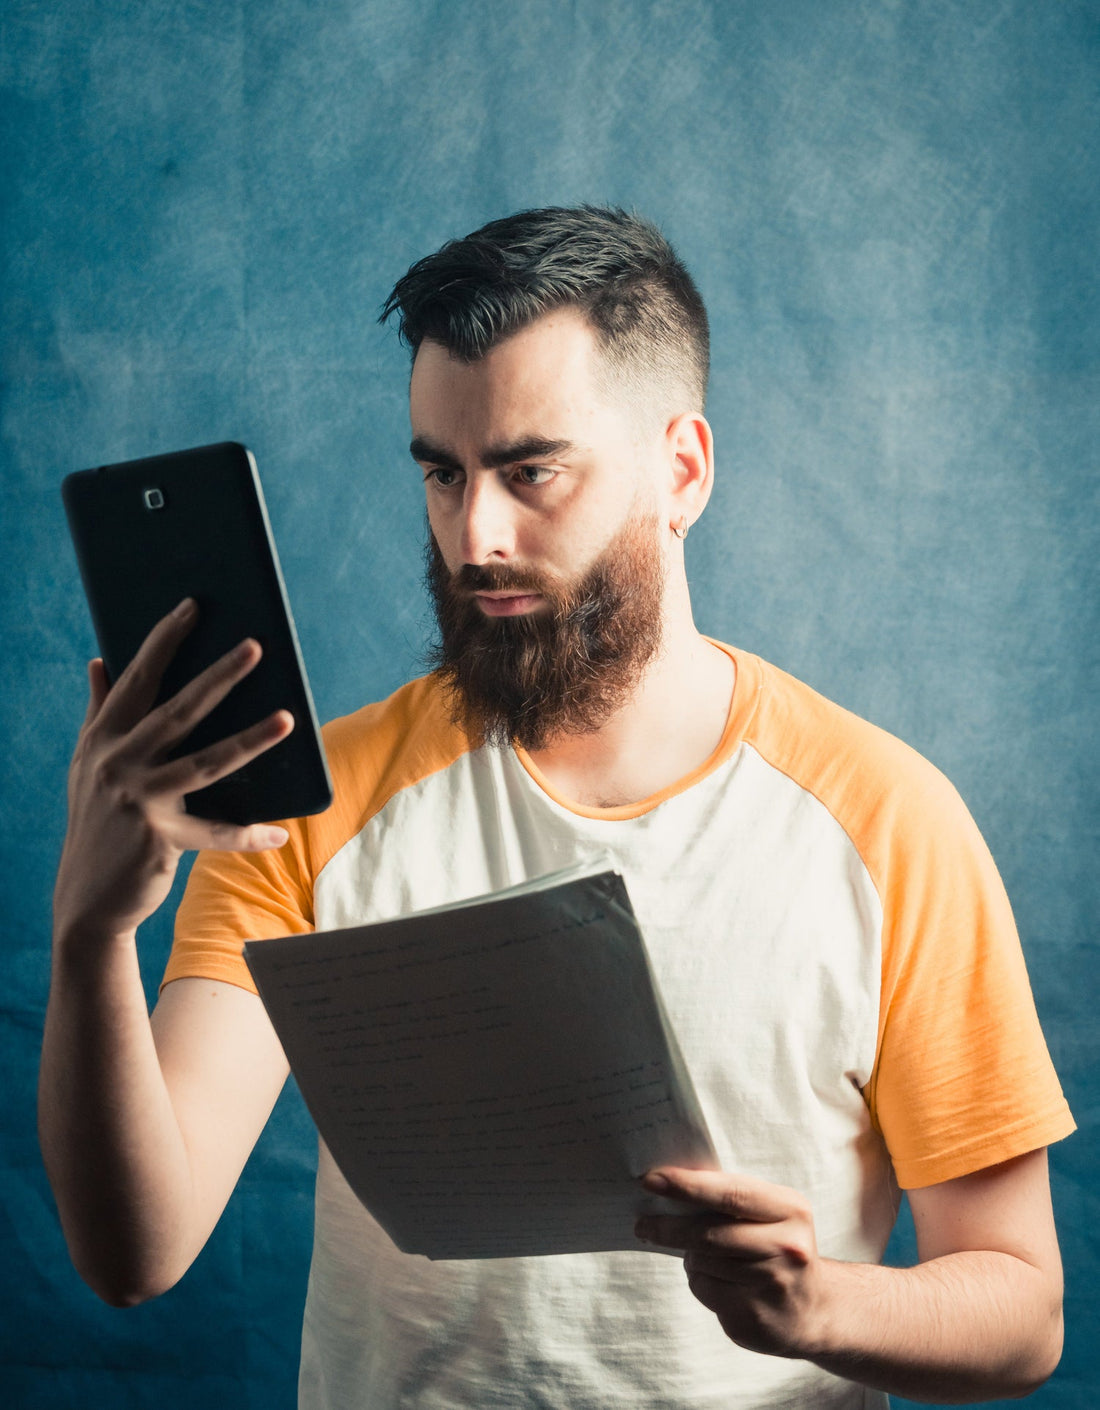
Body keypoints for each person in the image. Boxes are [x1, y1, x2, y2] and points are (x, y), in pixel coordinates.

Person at [40, 206, 1074, 1409]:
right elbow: (136, 1251)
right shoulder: (312, 804)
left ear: (679, 470)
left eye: (530, 470)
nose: (474, 535)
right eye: (442, 472)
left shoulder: (886, 818)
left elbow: (1021, 1309)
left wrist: (823, 1306)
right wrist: (90, 935)